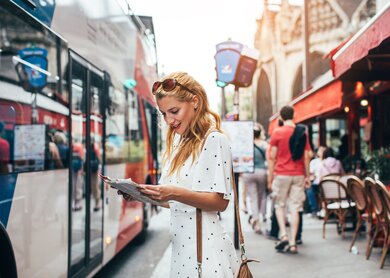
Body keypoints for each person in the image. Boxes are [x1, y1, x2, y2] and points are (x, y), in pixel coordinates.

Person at [115, 72, 239, 277]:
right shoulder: (176, 144)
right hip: (181, 252)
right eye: (164, 114)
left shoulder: (215, 140)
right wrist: (142, 194)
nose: (169, 120)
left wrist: (174, 193)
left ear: (195, 102)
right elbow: (172, 201)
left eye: (174, 111)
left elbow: (220, 202)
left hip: (206, 252)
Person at [268, 105, 311, 254]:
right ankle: (293, 243)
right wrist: (308, 176)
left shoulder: (277, 132)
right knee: (295, 208)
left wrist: (270, 178)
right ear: (294, 116)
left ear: (280, 117)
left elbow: (272, 157)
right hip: (298, 174)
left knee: (280, 205)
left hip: (281, 174)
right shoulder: (301, 132)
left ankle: (284, 235)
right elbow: (307, 157)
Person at [242, 122, 268, 234]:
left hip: (249, 172)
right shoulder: (264, 144)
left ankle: (256, 221)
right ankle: (261, 216)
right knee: (262, 195)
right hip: (262, 171)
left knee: (253, 197)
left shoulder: (247, 144)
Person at [306, 146, 326, 216]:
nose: (322, 152)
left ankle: (322, 209)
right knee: (309, 189)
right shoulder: (314, 162)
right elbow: (311, 173)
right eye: (320, 150)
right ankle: (314, 208)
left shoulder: (326, 161)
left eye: (323, 150)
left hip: (325, 183)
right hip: (316, 182)